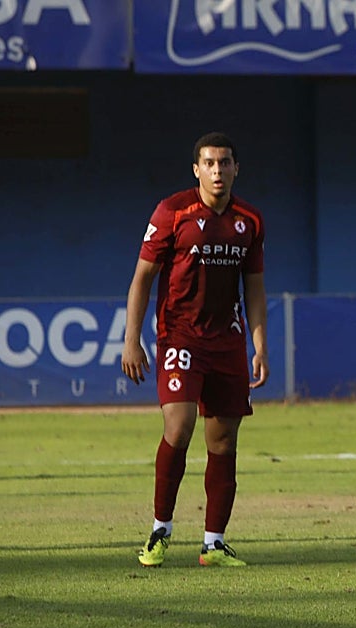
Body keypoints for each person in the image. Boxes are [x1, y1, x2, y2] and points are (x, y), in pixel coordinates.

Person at [121, 131, 269, 568]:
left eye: (225, 163)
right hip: (180, 336)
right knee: (180, 425)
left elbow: (255, 289)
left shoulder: (251, 221)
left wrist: (259, 346)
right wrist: (132, 338)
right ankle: (159, 531)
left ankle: (214, 543)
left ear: (236, 168)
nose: (218, 171)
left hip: (227, 341)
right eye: (209, 163)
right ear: (196, 169)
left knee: (223, 441)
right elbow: (143, 278)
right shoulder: (172, 211)